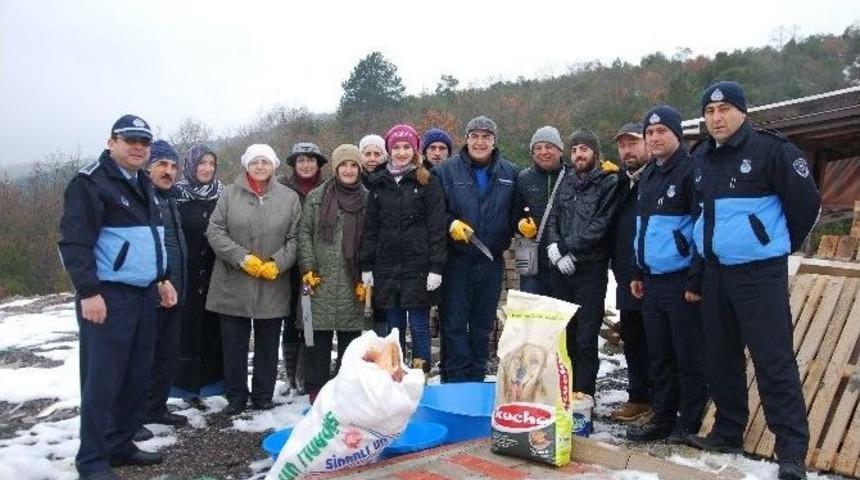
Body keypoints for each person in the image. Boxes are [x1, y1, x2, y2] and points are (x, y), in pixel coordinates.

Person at [686, 81, 820, 480]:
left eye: (724, 109)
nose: (716, 118)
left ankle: (791, 451)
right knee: (720, 357)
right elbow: (700, 219)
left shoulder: (771, 151)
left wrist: (773, 244)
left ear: (742, 111)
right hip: (716, 274)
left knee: (773, 359)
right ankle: (728, 431)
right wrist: (700, 269)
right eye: (709, 112)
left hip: (759, 275)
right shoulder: (702, 158)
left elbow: (806, 204)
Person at [58, 114, 176, 479]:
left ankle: (120, 444)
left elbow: (153, 238)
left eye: (144, 141)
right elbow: (74, 242)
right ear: (112, 142)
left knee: (136, 376)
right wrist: (88, 291)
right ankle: (92, 460)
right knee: (103, 380)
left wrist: (163, 278)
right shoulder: (91, 182)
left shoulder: (143, 182)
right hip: (108, 297)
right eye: (130, 140)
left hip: (144, 295)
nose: (138, 147)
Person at [625, 107, 708, 443]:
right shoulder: (648, 175)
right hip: (653, 279)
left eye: (661, 132)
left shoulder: (692, 172)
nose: (655, 138)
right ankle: (662, 416)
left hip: (682, 280)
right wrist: (637, 270)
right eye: (650, 133)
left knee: (686, 354)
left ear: (677, 135)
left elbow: (703, 229)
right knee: (658, 353)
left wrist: (696, 277)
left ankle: (688, 421)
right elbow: (642, 229)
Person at [206, 144, 301, 415]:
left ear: (273, 166)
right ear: (246, 165)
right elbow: (215, 231)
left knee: (268, 344)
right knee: (234, 345)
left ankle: (262, 395)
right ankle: (236, 396)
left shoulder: (289, 198)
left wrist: (278, 263)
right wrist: (240, 257)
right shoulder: (229, 194)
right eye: (255, 162)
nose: (260, 166)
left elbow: (295, 238)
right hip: (233, 282)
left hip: (272, 283)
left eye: (265, 162)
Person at [435, 115, 518, 382]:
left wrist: (523, 223)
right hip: (457, 262)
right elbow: (434, 212)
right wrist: (450, 224)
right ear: (466, 139)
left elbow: (518, 212)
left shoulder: (510, 173)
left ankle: (476, 378)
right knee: (455, 325)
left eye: (486, 137)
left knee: (482, 326)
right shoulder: (446, 171)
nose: (480, 142)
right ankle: (456, 382)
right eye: (475, 136)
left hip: (491, 261)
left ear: (494, 141)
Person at [360, 124, 446, 372]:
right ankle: (394, 374)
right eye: (396, 147)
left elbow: (437, 226)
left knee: (419, 325)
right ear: (389, 150)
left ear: (415, 150)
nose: (401, 152)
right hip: (387, 267)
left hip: (418, 267)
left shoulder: (427, 181)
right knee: (393, 329)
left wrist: (436, 266)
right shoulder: (379, 183)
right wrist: (367, 265)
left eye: (406, 147)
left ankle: (422, 375)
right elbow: (371, 228)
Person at [545, 129, 620, 397]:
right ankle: (564, 393)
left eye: (584, 149)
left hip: (590, 269)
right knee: (565, 334)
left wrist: (569, 248)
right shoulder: (565, 181)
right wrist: (555, 249)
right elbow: (553, 216)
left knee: (586, 338)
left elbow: (602, 225)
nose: (579, 154)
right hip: (562, 270)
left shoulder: (609, 182)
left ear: (595, 154)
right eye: (575, 149)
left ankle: (584, 395)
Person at [298, 144, 370, 403]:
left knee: (351, 342)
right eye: (344, 165)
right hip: (320, 278)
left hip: (354, 280)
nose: (349, 170)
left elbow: (373, 238)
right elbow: (304, 232)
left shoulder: (367, 198)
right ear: (336, 168)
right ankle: (316, 393)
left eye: (353, 165)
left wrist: (367, 275)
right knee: (318, 339)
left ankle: (345, 391)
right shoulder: (317, 197)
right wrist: (307, 265)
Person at [141, 140, 189, 434]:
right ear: (148, 168)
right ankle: (131, 417)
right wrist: (157, 281)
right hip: (151, 290)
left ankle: (156, 407)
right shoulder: (142, 198)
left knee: (167, 354)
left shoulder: (171, 199)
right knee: (143, 357)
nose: (168, 171)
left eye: (173, 166)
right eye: (161, 164)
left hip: (176, 288)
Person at [172, 145, 225, 405]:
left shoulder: (222, 195)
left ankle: (215, 384)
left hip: (217, 272)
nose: (206, 168)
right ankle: (186, 389)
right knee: (187, 331)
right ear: (191, 166)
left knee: (213, 329)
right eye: (201, 163)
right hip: (187, 273)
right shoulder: (176, 196)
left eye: (211, 163)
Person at [608, 122, 653, 423]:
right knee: (634, 339)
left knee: (661, 341)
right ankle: (639, 398)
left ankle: (665, 403)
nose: (627, 150)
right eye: (623, 145)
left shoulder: (659, 177)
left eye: (633, 143)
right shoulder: (621, 183)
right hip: (626, 274)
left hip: (657, 274)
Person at [280, 142, 328, 396]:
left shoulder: (328, 189)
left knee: (309, 318)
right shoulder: (282, 188)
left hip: (315, 261)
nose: (306, 164)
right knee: (289, 317)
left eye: (311, 159)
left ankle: (307, 373)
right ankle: (290, 375)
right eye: (301, 160)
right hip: (287, 259)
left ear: (319, 164)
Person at [514, 126, 566, 296]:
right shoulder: (523, 178)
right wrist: (519, 224)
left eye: (549, 147)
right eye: (538, 147)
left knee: (564, 320)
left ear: (559, 150)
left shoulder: (573, 176)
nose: (543, 152)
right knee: (533, 319)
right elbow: (512, 216)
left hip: (565, 261)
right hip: (532, 265)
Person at [358, 133, 390, 336]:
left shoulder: (389, 181)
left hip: (383, 254)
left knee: (381, 309)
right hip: (355, 251)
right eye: (367, 153)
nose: (372, 158)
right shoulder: (352, 178)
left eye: (377, 153)